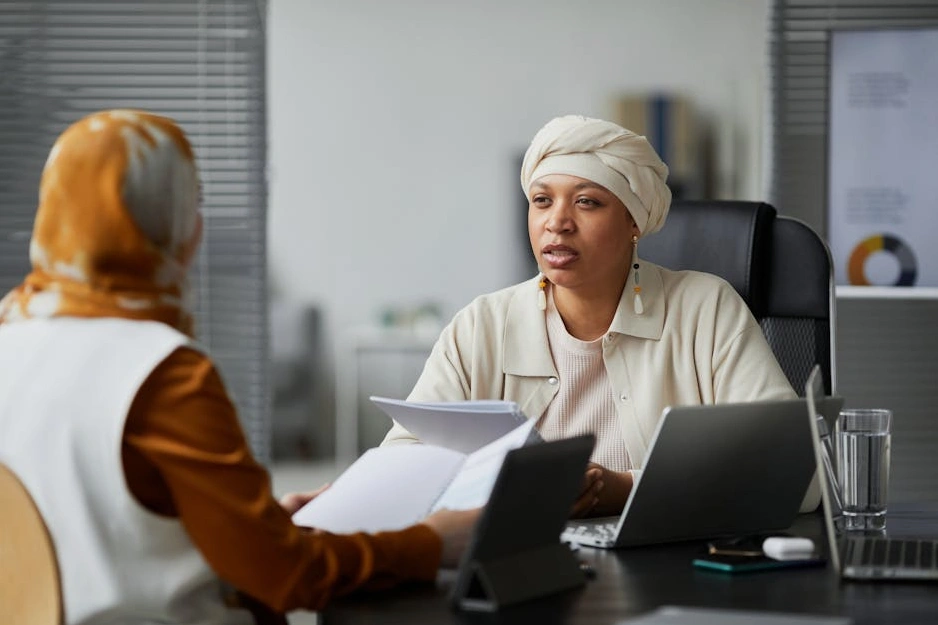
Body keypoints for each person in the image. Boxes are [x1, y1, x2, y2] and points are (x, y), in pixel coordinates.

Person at [0, 110, 479, 625]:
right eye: (194, 203)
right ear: (169, 221)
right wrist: (432, 542)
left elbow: (94, 523)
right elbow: (287, 576)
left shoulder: (11, 337)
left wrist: (260, 521)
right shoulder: (162, 372)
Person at [383, 114, 817, 518]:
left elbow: (800, 472)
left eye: (587, 202)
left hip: (669, 571)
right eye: (541, 201)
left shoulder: (706, 310)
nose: (557, 222)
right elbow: (402, 465)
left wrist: (627, 489)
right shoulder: (481, 325)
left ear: (634, 222)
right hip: (520, 562)